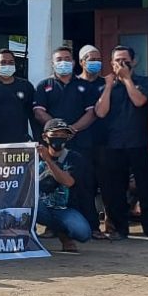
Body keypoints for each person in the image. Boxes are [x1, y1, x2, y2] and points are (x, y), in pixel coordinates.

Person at [33, 46, 101, 235]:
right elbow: (38, 112)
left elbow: (91, 113)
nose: (63, 62)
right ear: (53, 63)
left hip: (80, 143)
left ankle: (92, 225)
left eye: (67, 59)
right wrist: (57, 130)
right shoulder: (44, 85)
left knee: (85, 184)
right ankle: (52, 227)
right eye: (59, 59)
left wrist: (72, 129)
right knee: (50, 183)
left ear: (73, 62)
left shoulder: (84, 86)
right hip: (53, 145)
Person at [95, 45, 148, 240]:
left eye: (125, 60)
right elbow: (100, 112)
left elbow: (139, 101)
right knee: (115, 190)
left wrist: (127, 79)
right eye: (117, 60)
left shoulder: (146, 82)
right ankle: (119, 229)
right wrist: (109, 86)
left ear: (134, 61)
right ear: (111, 63)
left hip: (140, 143)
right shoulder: (105, 84)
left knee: (146, 188)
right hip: (113, 144)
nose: (121, 64)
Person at [36, 119, 93, 252]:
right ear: (45, 136)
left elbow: (68, 182)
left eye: (63, 135)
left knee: (83, 233)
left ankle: (63, 234)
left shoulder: (75, 158)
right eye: (55, 135)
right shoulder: (34, 155)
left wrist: (48, 160)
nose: (59, 138)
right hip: (40, 206)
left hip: (65, 209)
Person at [76, 45, 109, 232]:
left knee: (108, 185)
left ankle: (112, 225)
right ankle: (91, 226)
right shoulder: (74, 84)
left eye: (98, 59)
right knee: (86, 186)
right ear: (82, 62)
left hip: (106, 142)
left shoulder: (107, 83)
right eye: (91, 59)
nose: (95, 62)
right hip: (82, 143)